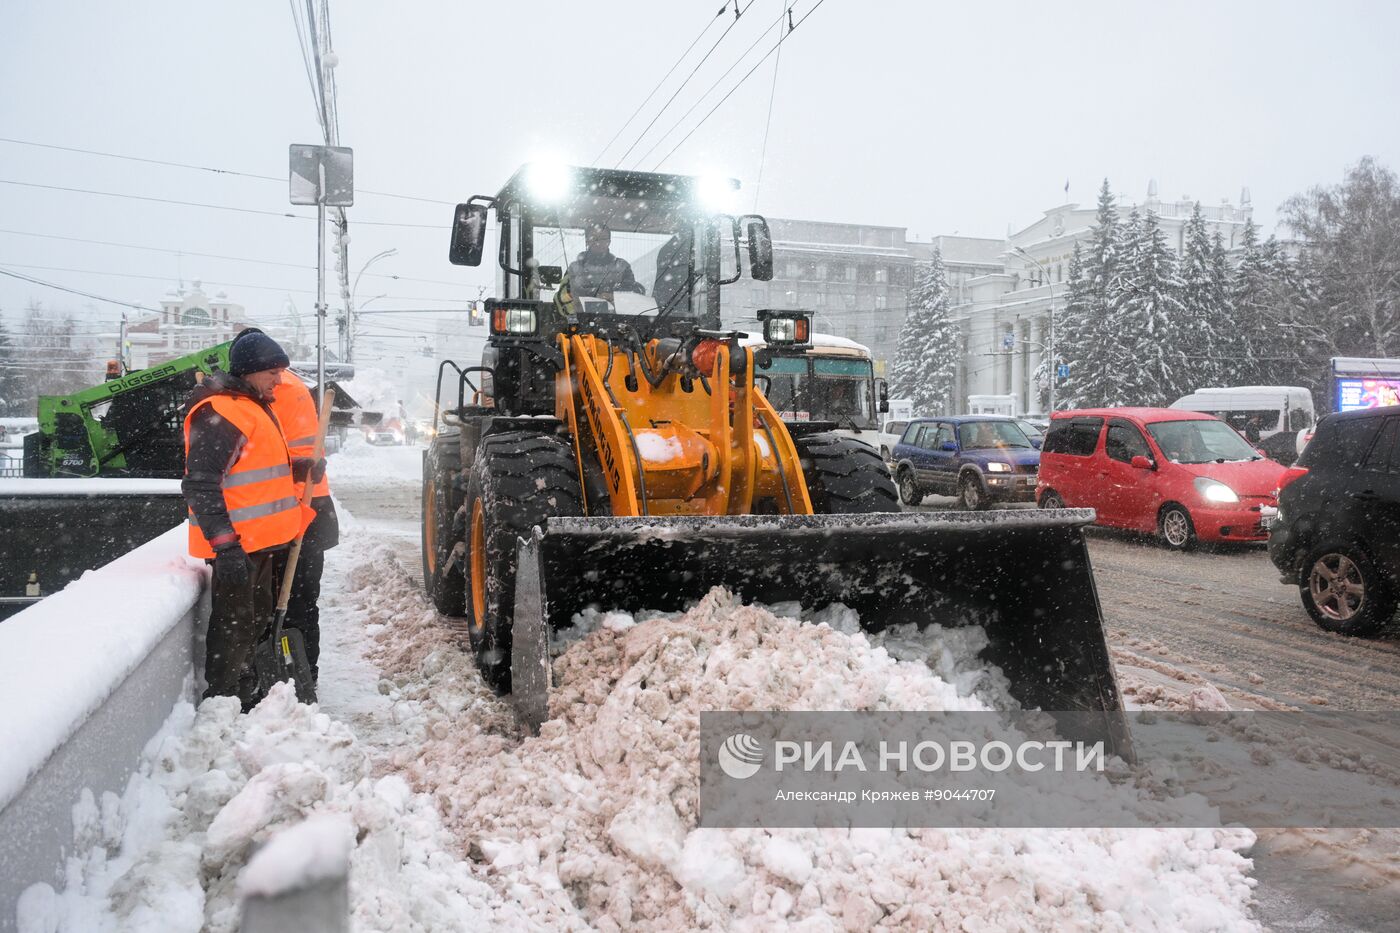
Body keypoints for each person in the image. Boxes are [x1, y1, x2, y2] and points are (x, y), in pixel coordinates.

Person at [182, 332, 321, 710]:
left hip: (260, 546)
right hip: (238, 547)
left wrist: (301, 468)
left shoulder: (254, 406)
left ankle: (247, 696)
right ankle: (223, 704)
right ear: (250, 371)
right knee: (235, 630)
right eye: (274, 372)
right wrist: (225, 545)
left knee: (253, 625)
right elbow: (201, 484)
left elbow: (257, 469)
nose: (280, 380)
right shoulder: (220, 412)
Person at [229, 327, 339, 686]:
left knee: (280, 603)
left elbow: (265, 460)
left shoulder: (269, 392)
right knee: (301, 603)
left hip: (287, 509)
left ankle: (282, 680)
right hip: (308, 506)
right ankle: (304, 678)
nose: (275, 378)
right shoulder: (289, 386)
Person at [566, 222, 645, 300]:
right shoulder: (574, 268)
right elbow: (566, 295)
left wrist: (612, 296)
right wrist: (598, 296)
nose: (598, 243)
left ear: (609, 241)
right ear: (587, 241)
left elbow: (631, 294)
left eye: (603, 238)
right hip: (581, 312)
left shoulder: (622, 267)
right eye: (594, 238)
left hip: (616, 312)